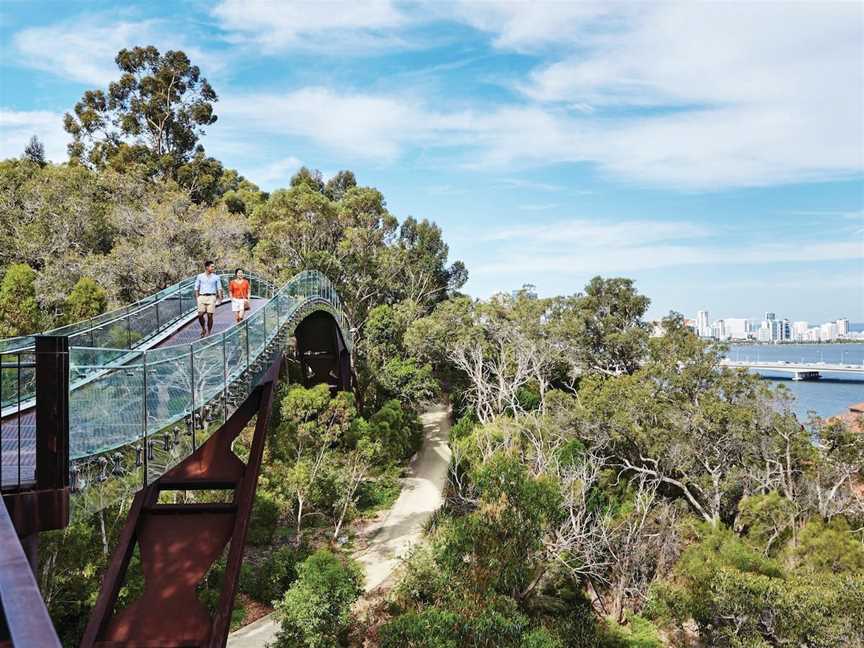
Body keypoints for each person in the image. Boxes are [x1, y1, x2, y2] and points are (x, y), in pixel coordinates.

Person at [194, 260, 223, 336]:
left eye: (213, 266)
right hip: (202, 296)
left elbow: (219, 288)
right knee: (200, 314)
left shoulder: (216, 277)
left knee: (210, 315)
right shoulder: (200, 276)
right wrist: (197, 298)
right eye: (212, 266)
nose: (213, 268)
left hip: (212, 297)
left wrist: (220, 299)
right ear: (207, 267)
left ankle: (209, 332)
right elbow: (196, 288)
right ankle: (203, 328)